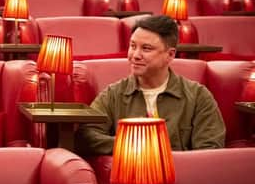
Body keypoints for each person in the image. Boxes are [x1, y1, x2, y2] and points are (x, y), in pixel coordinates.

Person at [75, 15, 225, 156]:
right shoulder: (113, 94)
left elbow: (210, 149)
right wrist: (133, 146)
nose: (135, 55)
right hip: (130, 177)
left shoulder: (198, 96)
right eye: (133, 46)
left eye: (146, 49)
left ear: (170, 55)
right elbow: (87, 136)